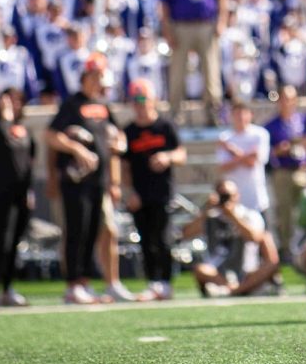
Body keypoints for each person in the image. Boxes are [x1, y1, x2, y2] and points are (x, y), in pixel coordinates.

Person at [45, 52, 122, 305]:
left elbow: (118, 138)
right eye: (97, 75)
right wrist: (77, 150)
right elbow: (51, 136)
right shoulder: (72, 104)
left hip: (98, 180)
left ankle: (86, 282)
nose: (100, 81)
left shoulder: (103, 106)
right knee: (76, 230)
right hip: (75, 179)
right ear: (87, 76)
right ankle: (73, 283)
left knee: (92, 231)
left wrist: (115, 175)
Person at [122, 78, 185, 301]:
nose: (140, 104)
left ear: (153, 100)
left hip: (162, 191)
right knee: (145, 239)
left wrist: (166, 157)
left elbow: (181, 154)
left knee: (163, 238)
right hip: (140, 194)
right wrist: (129, 192)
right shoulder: (129, 131)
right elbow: (124, 165)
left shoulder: (165, 126)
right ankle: (152, 282)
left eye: (143, 98)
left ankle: (166, 282)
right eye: (136, 99)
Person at [159, 0, 226, 126]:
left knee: (210, 71)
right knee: (178, 72)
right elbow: (164, 5)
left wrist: (222, 22)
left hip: (206, 25)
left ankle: (212, 113)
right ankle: (175, 114)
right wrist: (167, 31)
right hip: (181, 26)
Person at [184, 179, 281, 298]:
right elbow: (186, 234)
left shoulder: (249, 215)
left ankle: (232, 291)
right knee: (201, 269)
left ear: (237, 195)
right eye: (222, 195)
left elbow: (254, 238)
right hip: (220, 271)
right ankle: (240, 289)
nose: (226, 199)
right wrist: (205, 211)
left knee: (271, 260)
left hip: (248, 270)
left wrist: (232, 216)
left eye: (228, 195)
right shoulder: (211, 217)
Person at [0, 88, 34, 307]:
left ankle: (8, 287)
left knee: (14, 243)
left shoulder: (24, 129)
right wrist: (4, 118)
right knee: (1, 242)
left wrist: (30, 190)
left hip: (20, 195)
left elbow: (29, 162)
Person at [264, 85, 306, 258]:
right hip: (282, 171)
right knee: (285, 212)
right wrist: (279, 151)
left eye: (290, 98)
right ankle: (285, 248)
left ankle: (303, 245)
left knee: (305, 210)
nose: (287, 102)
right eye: (284, 98)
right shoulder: (272, 125)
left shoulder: (303, 121)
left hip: (302, 170)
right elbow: (266, 153)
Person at [216, 100, 270, 218]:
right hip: (234, 202)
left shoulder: (260, 134)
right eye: (237, 113)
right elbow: (223, 167)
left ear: (251, 115)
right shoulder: (225, 137)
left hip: (256, 199)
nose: (240, 117)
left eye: (243, 113)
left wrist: (232, 150)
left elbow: (253, 162)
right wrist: (246, 156)